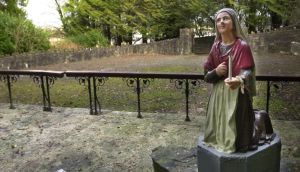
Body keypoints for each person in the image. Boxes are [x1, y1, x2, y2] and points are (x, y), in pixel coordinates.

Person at [203, 8, 257, 153]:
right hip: (218, 94)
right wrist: (216, 72)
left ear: (233, 23)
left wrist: (239, 79)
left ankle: (237, 145)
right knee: (218, 120)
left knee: (234, 121)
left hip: (236, 93)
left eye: (225, 18)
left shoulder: (242, 46)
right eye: (218, 20)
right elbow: (206, 74)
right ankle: (217, 140)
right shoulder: (215, 47)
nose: (221, 22)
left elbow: (248, 70)